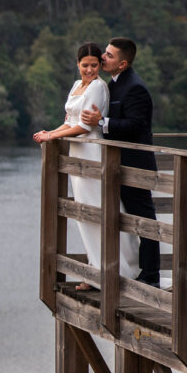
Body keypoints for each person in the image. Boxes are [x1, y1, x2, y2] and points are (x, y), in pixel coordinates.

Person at [34, 42, 140, 289]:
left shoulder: (98, 88)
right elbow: (69, 120)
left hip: (92, 153)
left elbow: (85, 127)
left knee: (99, 212)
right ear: (78, 65)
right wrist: (49, 131)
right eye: (85, 65)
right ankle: (95, 271)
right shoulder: (76, 86)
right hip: (77, 156)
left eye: (94, 65)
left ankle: (117, 270)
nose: (90, 70)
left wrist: (53, 138)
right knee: (85, 215)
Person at [80, 37, 160, 287]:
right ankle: (124, 269)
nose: (104, 57)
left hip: (135, 165)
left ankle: (150, 275)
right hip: (117, 165)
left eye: (109, 55)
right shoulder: (113, 84)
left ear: (123, 63)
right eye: (105, 52)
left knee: (144, 222)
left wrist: (102, 122)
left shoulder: (135, 87)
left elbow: (137, 125)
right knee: (122, 218)